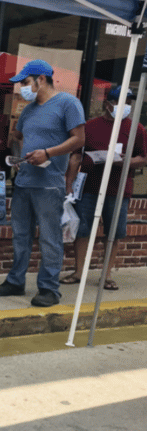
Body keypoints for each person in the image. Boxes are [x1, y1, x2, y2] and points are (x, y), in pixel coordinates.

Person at [0, 59, 85, 307]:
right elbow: (17, 135)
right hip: (24, 182)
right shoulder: (30, 109)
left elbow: (78, 139)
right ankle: (15, 281)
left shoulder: (68, 103)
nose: (23, 87)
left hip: (49, 183)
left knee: (49, 238)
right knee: (20, 235)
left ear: (41, 79)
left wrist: (49, 153)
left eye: (25, 82)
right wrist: (18, 156)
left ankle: (49, 288)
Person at [62, 85, 147, 290]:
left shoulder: (137, 128)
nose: (125, 106)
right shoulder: (90, 126)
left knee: (114, 233)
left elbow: (143, 158)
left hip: (118, 189)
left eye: (128, 103)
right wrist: (69, 183)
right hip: (90, 186)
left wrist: (125, 161)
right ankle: (79, 271)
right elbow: (76, 155)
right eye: (120, 102)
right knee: (83, 230)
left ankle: (106, 275)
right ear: (108, 104)